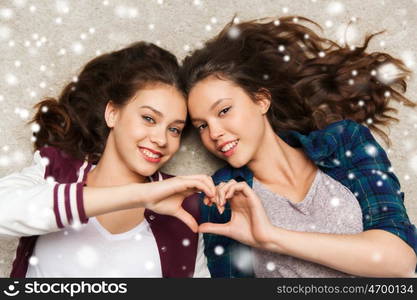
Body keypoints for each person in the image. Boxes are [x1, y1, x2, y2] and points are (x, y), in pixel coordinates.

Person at [180, 16, 417, 277]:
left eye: (224, 110)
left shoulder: (344, 143)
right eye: (202, 125)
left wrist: (272, 238)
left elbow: (399, 261)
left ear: (261, 101)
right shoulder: (222, 198)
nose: (214, 132)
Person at [0, 41, 215, 278]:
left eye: (174, 129)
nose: (161, 139)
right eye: (149, 118)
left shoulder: (181, 208)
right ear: (112, 113)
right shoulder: (55, 169)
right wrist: (140, 195)